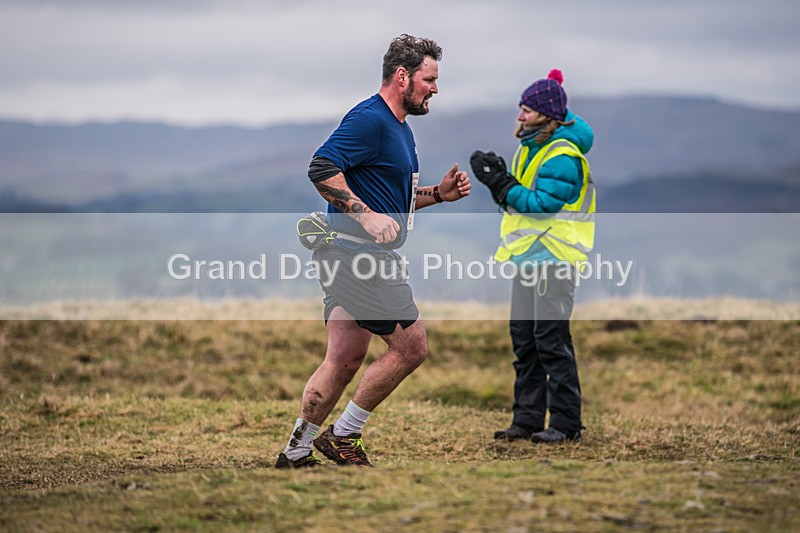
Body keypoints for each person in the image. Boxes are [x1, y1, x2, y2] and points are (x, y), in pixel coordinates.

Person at [276, 34, 471, 468]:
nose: (435, 89)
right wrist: (365, 217)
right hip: (358, 257)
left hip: (347, 254)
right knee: (411, 348)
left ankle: (295, 452)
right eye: (429, 78)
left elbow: (391, 199)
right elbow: (322, 167)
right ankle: (344, 435)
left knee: (344, 358)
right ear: (403, 76)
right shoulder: (370, 119)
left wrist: (436, 195)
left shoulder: (398, 127)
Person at [470, 69, 595, 444]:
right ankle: (525, 421)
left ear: (546, 115)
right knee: (524, 340)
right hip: (528, 258)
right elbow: (520, 203)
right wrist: (501, 185)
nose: (520, 115)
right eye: (521, 108)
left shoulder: (562, 155)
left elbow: (541, 206)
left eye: (527, 109)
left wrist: (501, 183)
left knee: (551, 341)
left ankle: (566, 425)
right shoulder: (532, 146)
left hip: (555, 259)